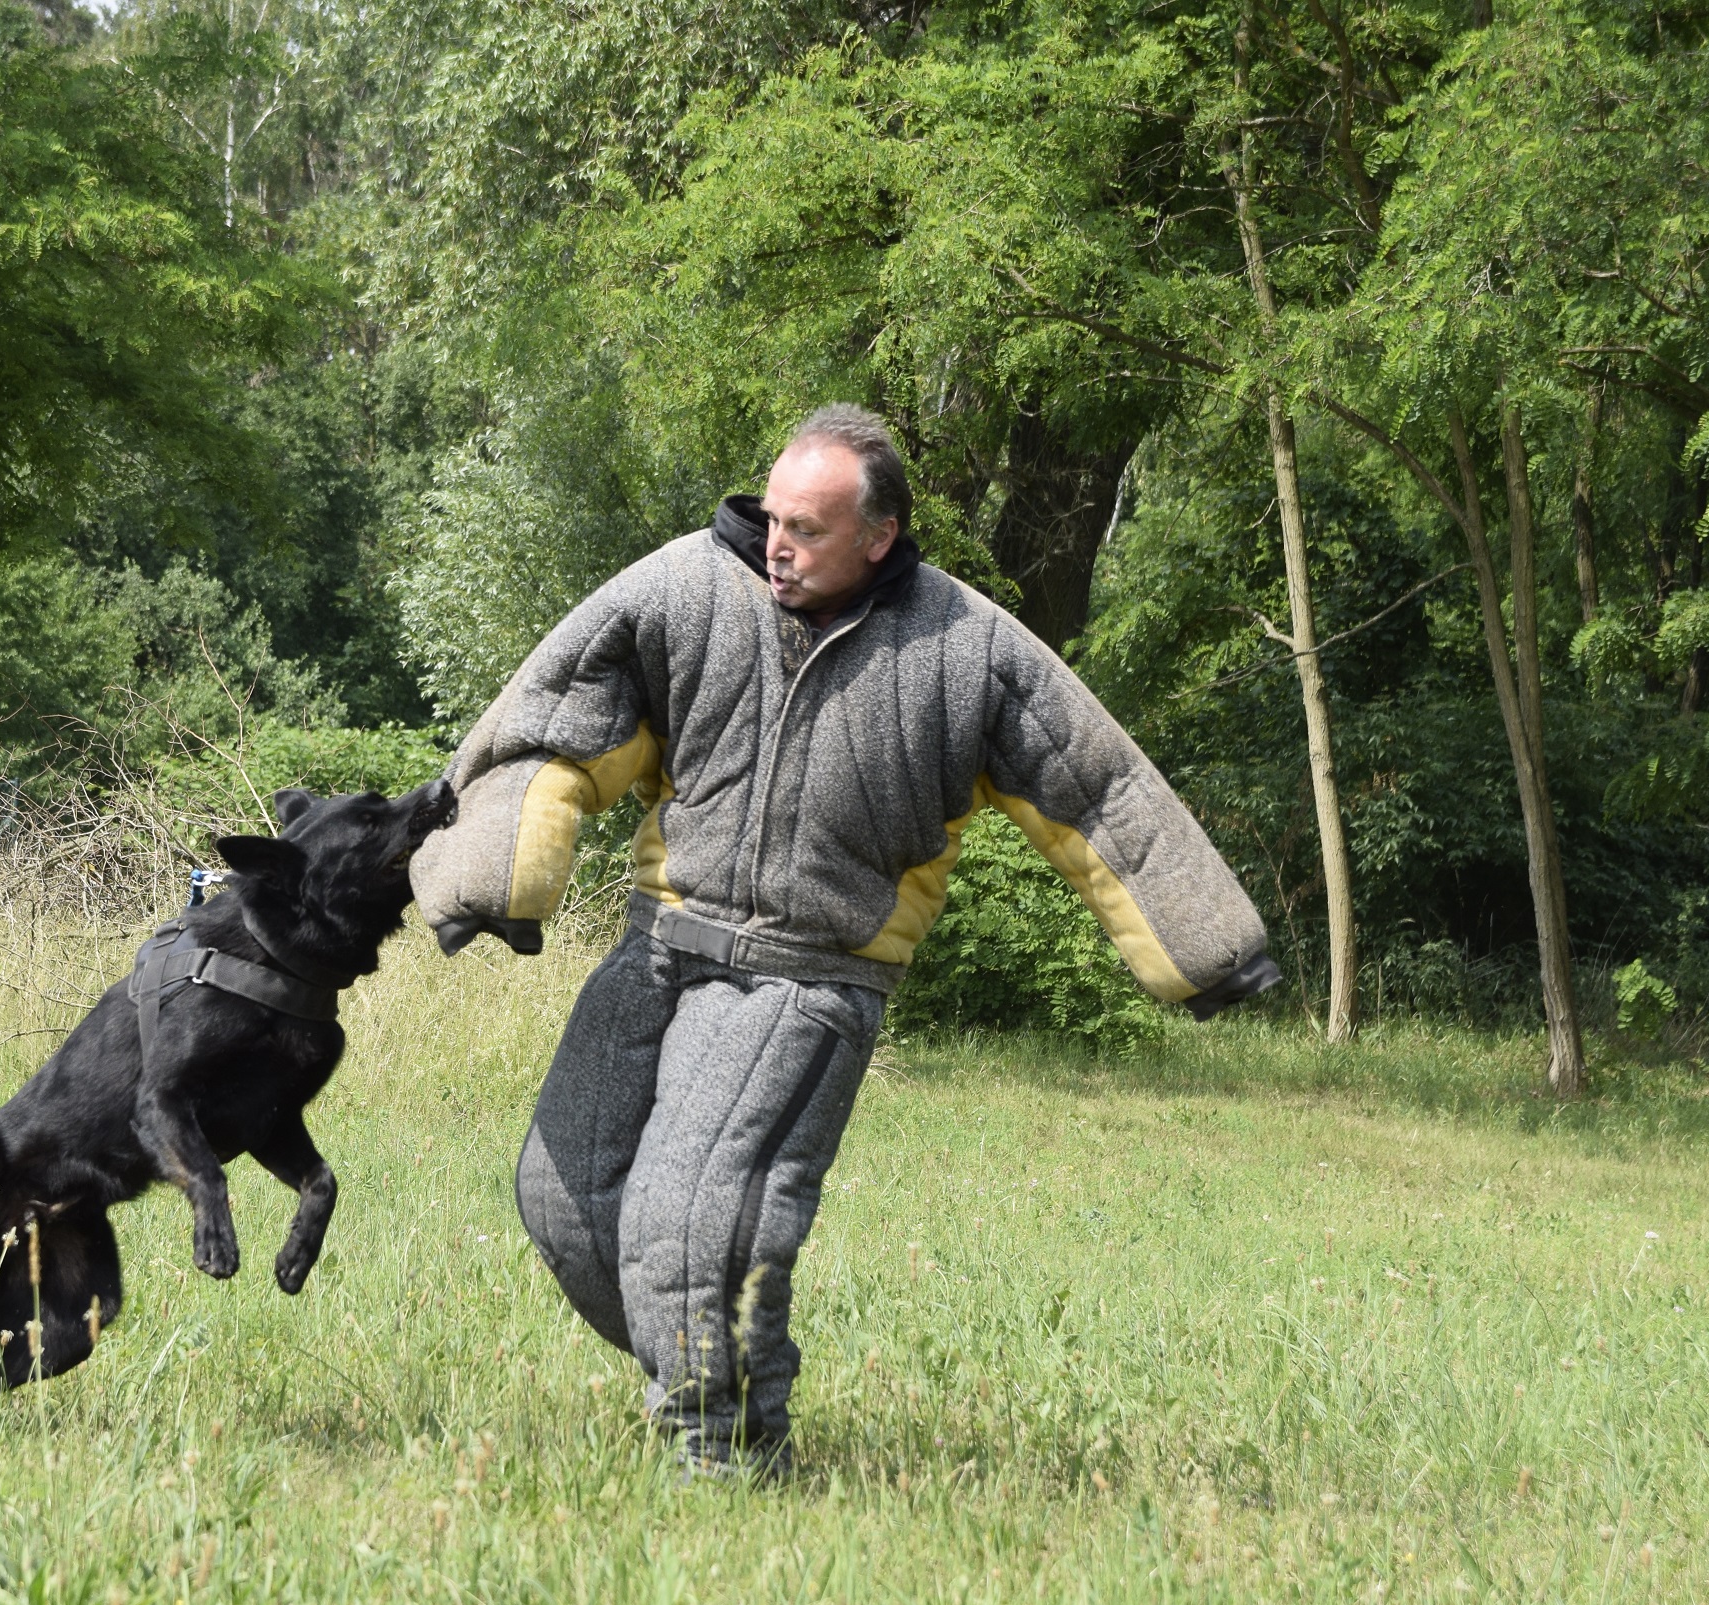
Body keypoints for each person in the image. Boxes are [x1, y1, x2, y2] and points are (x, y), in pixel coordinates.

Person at [410, 404, 1278, 1476]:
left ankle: (724, 1466)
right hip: (664, 940)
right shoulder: (682, 589)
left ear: (880, 534)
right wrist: (496, 870)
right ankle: (729, 1381)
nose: (778, 542)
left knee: (691, 1224)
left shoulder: (966, 646)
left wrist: (1209, 947)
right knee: (563, 1194)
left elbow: (1095, 787)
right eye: (773, 518)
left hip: (812, 976)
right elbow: (556, 721)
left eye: (809, 529)